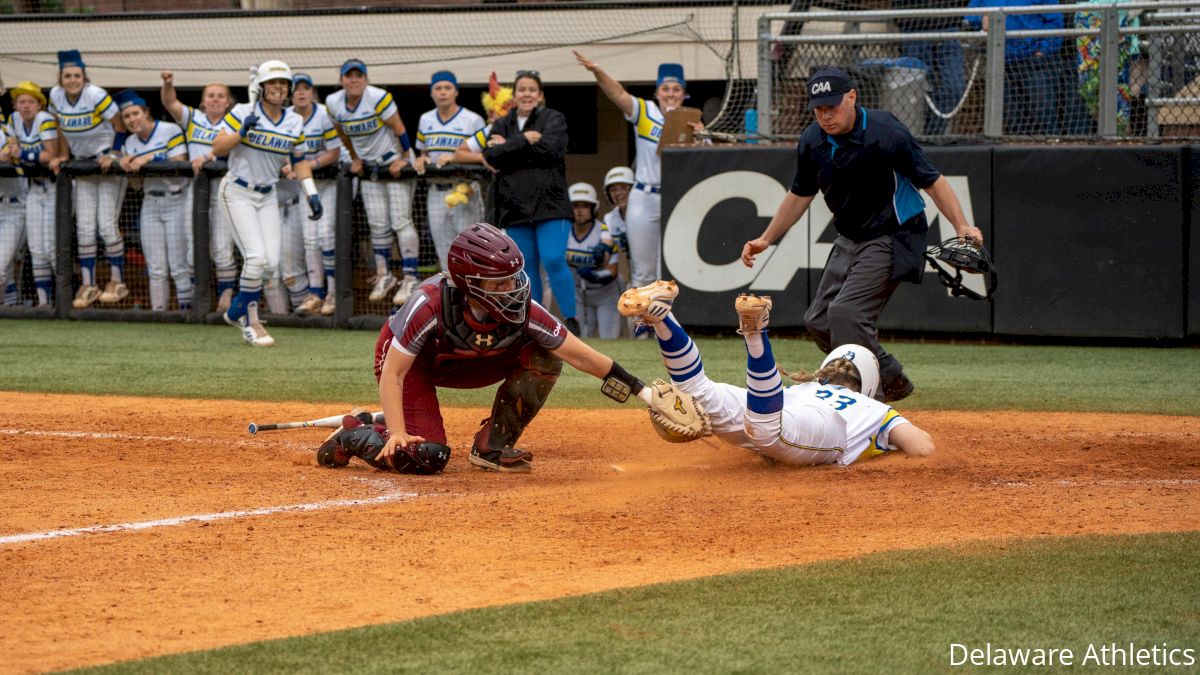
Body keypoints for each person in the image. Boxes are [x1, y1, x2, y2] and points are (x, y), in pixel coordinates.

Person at [322, 223, 658, 474]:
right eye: (499, 282)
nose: (512, 288)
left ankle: (492, 447)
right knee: (426, 456)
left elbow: (580, 354)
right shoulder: (429, 304)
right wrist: (396, 432)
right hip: (415, 369)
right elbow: (394, 374)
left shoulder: (524, 307)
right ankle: (356, 435)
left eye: (513, 278)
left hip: (473, 361)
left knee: (546, 354)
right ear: (469, 282)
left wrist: (644, 393)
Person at [741, 67, 981, 403]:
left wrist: (962, 226)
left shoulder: (886, 131)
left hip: (895, 235)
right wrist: (767, 238)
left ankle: (872, 407)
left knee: (847, 315)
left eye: (832, 106)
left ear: (852, 97)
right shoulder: (813, 140)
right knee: (819, 320)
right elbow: (799, 194)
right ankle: (888, 374)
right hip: (851, 237)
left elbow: (933, 180)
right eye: (818, 109)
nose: (825, 115)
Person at [618, 280, 936, 465]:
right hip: (812, 425)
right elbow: (922, 446)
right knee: (768, 430)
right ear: (867, 383)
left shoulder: (804, 388)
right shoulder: (874, 408)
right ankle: (756, 334)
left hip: (775, 401)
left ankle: (661, 319)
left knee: (698, 393)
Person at [211, 60, 322, 347]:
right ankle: (251, 322)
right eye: (272, 83)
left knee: (271, 266)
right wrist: (241, 133)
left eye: (283, 84)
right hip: (236, 191)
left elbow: (299, 160)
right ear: (261, 88)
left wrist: (311, 193)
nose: (278, 88)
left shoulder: (294, 121)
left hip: (268, 194)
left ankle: (236, 309)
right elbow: (218, 148)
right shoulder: (241, 112)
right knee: (255, 258)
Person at [574, 52, 703, 290]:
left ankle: (667, 327)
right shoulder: (646, 111)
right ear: (657, 92)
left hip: (677, 197)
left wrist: (701, 137)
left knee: (670, 271)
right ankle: (643, 328)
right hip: (645, 195)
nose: (671, 94)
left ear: (684, 94)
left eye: (676, 89)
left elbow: (705, 161)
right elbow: (617, 94)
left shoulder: (692, 120)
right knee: (643, 273)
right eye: (666, 89)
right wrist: (596, 70)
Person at [481, 69, 579, 336]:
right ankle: (533, 324)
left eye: (532, 90)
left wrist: (509, 148)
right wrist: (524, 140)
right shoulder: (502, 123)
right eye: (521, 89)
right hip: (515, 208)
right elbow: (491, 155)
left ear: (541, 95)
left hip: (551, 206)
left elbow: (551, 149)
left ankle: (571, 321)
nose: (527, 94)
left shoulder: (553, 118)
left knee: (554, 259)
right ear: (514, 95)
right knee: (525, 267)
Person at [325, 58, 424, 307]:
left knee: (400, 220)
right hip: (369, 166)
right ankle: (384, 274)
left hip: (393, 161)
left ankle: (410, 277)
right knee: (378, 223)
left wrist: (404, 158)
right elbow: (342, 133)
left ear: (366, 79)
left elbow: (400, 129)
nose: (354, 79)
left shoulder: (378, 97)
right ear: (342, 80)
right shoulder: (333, 102)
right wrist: (356, 158)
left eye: (359, 75)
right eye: (349, 75)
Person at [49, 49, 129, 309]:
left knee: (106, 225)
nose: (72, 80)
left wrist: (113, 154)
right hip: (82, 165)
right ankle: (89, 284)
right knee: (84, 228)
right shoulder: (55, 95)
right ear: (61, 78)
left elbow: (119, 125)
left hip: (105, 163)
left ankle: (118, 281)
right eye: (68, 75)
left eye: (77, 75)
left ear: (84, 77)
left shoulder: (96, 94)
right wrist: (63, 154)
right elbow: (59, 125)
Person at [160, 71, 239, 312]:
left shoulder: (235, 120)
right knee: (192, 243)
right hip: (195, 190)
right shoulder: (194, 118)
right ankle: (199, 297)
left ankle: (225, 297)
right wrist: (168, 83)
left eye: (220, 96)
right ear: (203, 101)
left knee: (222, 246)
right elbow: (169, 102)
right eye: (210, 96)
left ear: (227, 102)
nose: (215, 100)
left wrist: (210, 156)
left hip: (224, 188)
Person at [113, 89, 191, 311]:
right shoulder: (129, 143)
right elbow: (137, 186)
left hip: (177, 199)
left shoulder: (169, 129)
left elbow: (180, 162)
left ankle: (187, 312)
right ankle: (159, 313)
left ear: (146, 112)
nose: (132, 119)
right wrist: (128, 168)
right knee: (156, 267)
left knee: (178, 265)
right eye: (127, 116)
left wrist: (147, 158)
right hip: (150, 202)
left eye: (135, 113)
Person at [965, 0, 1083, 135]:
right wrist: (981, 19)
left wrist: (1043, 50)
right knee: (1011, 118)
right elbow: (970, 15)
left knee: (1043, 114)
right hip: (1002, 62)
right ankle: (1017, 153)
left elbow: (1055, 22)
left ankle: (1052, 149)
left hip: (1035, 62)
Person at [276, 72, 341, 317]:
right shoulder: (287, 118)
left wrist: (306, 166)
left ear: (313, 92)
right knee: (310, 240)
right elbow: (284, 150)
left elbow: (334, 152)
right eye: (296, 89)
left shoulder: (324, 113)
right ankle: (315, 293)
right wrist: (286, 164)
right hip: (304, 186)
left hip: (328, 183)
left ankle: (333, 292)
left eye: (306, 88)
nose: (301, 93)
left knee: (326, 237)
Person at [414, 70, 486, 271]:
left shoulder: (472, 119)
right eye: (438, 88)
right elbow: (424, 151)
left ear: (456, 92)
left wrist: (455, 158)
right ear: (431, 93)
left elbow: (484, 156)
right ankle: (451, 299)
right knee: (444, 251)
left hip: (464, 190)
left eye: (448, 88)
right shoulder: (425, 119)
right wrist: (422, 159)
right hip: (436, 191)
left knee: (470, 249)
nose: (443, 92)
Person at [7, 80, 60, 307]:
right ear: (16, 104)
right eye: (21, 101)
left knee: (51, 246)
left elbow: (51, 154)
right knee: (36, 248)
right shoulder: (13, 120)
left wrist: (23, 154)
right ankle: (43, 303)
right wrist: (22, 154)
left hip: (56, 185)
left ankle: (63, 300)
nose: (26, 106)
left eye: (31, 101)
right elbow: (11, 150)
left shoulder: (45, 119)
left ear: (39, 104)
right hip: (35, 187)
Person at [893, 0, 967, 136]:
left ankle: (932, 136)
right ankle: (916, 138)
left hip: (949, 25)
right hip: (913, 25)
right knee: (914, 90)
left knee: (954, 88)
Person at [566, 182, 621, 338]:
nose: (580, 211)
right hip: (578, 293)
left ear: (593, 208)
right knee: (580, 340)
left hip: (606, 294)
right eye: (576, 206)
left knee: (609, 339)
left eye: (585, 206)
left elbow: (613, 270)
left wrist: (596, 276)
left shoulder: (603, 230)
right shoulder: (564, 231)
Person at [0, 107, 27, 306]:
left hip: (15, 206)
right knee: (6, 269)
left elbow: (9, 155)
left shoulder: (7, 129)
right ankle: (9, 309)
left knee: (1, 264)